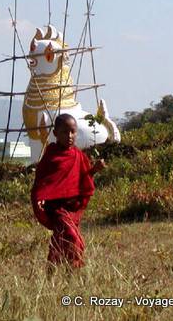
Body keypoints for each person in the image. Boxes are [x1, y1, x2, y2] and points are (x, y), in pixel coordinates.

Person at [31, 113, 105, 271]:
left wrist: (95, 170)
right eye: (65, 132)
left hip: (72, 206)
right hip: (56, 208)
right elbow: (42, 181)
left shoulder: (78, 155)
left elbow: (83, 179)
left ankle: (53, 270)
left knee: (60, 237)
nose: (70, 136)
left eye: (73, 131)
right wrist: (40, 199)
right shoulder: (51, 156)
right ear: (55, 133)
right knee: (73, 236)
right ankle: (75, 268)